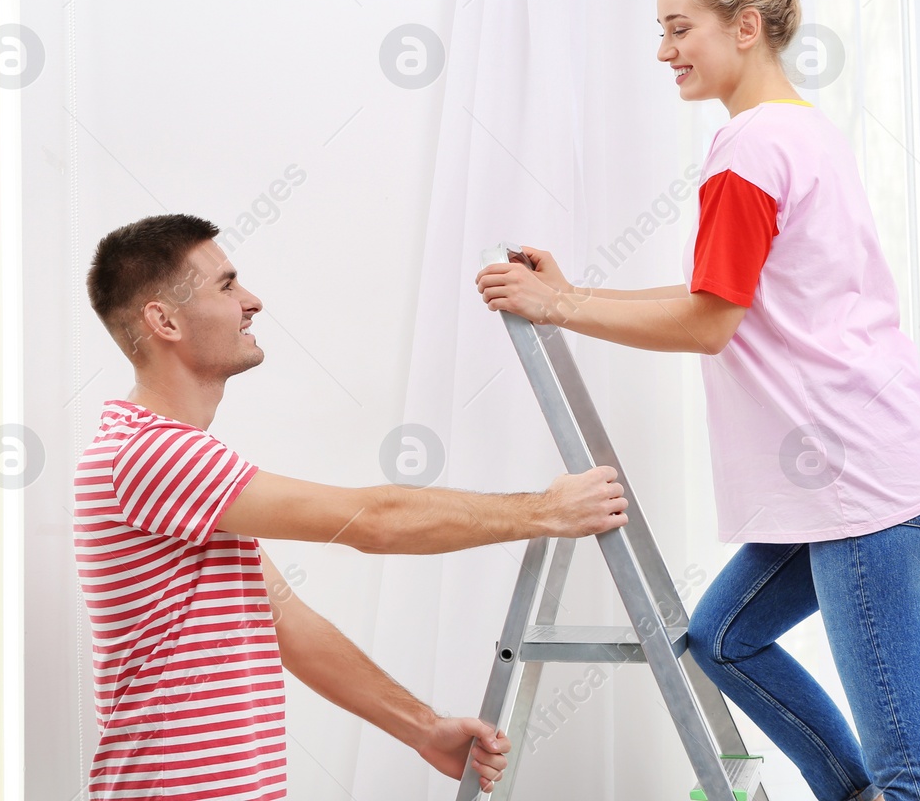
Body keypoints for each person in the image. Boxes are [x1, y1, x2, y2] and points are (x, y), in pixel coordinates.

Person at [475, 0, 920, 801]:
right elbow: (724, 297)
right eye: (659, 33)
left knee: (914, 774)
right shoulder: (797, 133)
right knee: (725, 638)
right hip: (849, 470)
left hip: (860, 481)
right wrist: (575, 295)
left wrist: (560, 306)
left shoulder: (748, 151)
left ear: (745, 27)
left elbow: (709, 323)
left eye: (678, 28)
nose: (664, 51)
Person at [76, 213, 629, 800]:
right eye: (227, 284)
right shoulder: (148, 453)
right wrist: (546, 510)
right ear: (163, 320)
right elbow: (371, 521)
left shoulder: (178, 465)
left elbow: (291, 627)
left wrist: (425, 729)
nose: (252, 300)